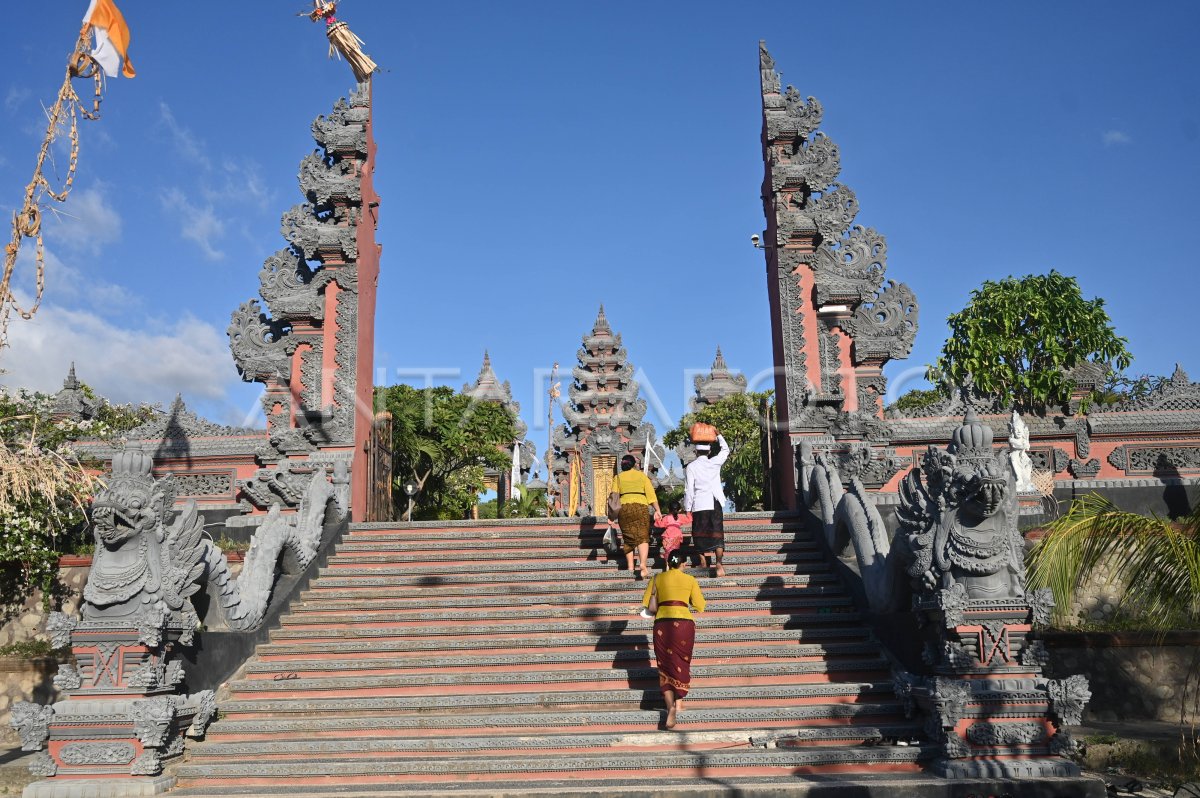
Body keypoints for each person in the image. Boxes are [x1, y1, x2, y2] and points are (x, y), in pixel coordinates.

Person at [641, 549, 706, 729]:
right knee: (682, 662)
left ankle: (670, 707)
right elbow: (700, 605)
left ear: (668, 563)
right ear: (684, 564)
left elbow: (647, 605)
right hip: (684, 625)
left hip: (663, 623)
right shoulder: (690, 580)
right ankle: (679, 704)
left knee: (665, 665)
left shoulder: (657, 579)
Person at [684, 432, 729, 577]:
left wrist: (687, 508)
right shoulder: (714, 462)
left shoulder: (691, 467)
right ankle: (719, 565)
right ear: (709, 451)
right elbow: (725, 450)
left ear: (695, 452)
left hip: (699, 504)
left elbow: (689, 489)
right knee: (717, 534)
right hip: (714, 502)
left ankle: (703, 563)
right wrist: (719, 436)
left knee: (698, 534)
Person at [609, 453, 661, 579]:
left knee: (628, 538)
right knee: (642, 537)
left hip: (625, 508)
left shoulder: (618, 477)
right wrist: (657, 510)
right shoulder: (642, 476)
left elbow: (614, 497)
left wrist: (611, 517)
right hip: (640, 507)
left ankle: (630, 566)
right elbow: (651, 495)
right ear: (634, 465)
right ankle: (642, 564)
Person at [653, 500, 690, 568]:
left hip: (667, 537)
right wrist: (688, 511)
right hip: (677, 537)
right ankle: (674, 565)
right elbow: (689, 519)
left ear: (668, 509)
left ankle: (667, 565)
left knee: (668, 552)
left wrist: (657, 519)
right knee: (674, 553)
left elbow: (659, 524)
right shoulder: (680, 517)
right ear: (679, 510)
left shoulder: (666, 518)